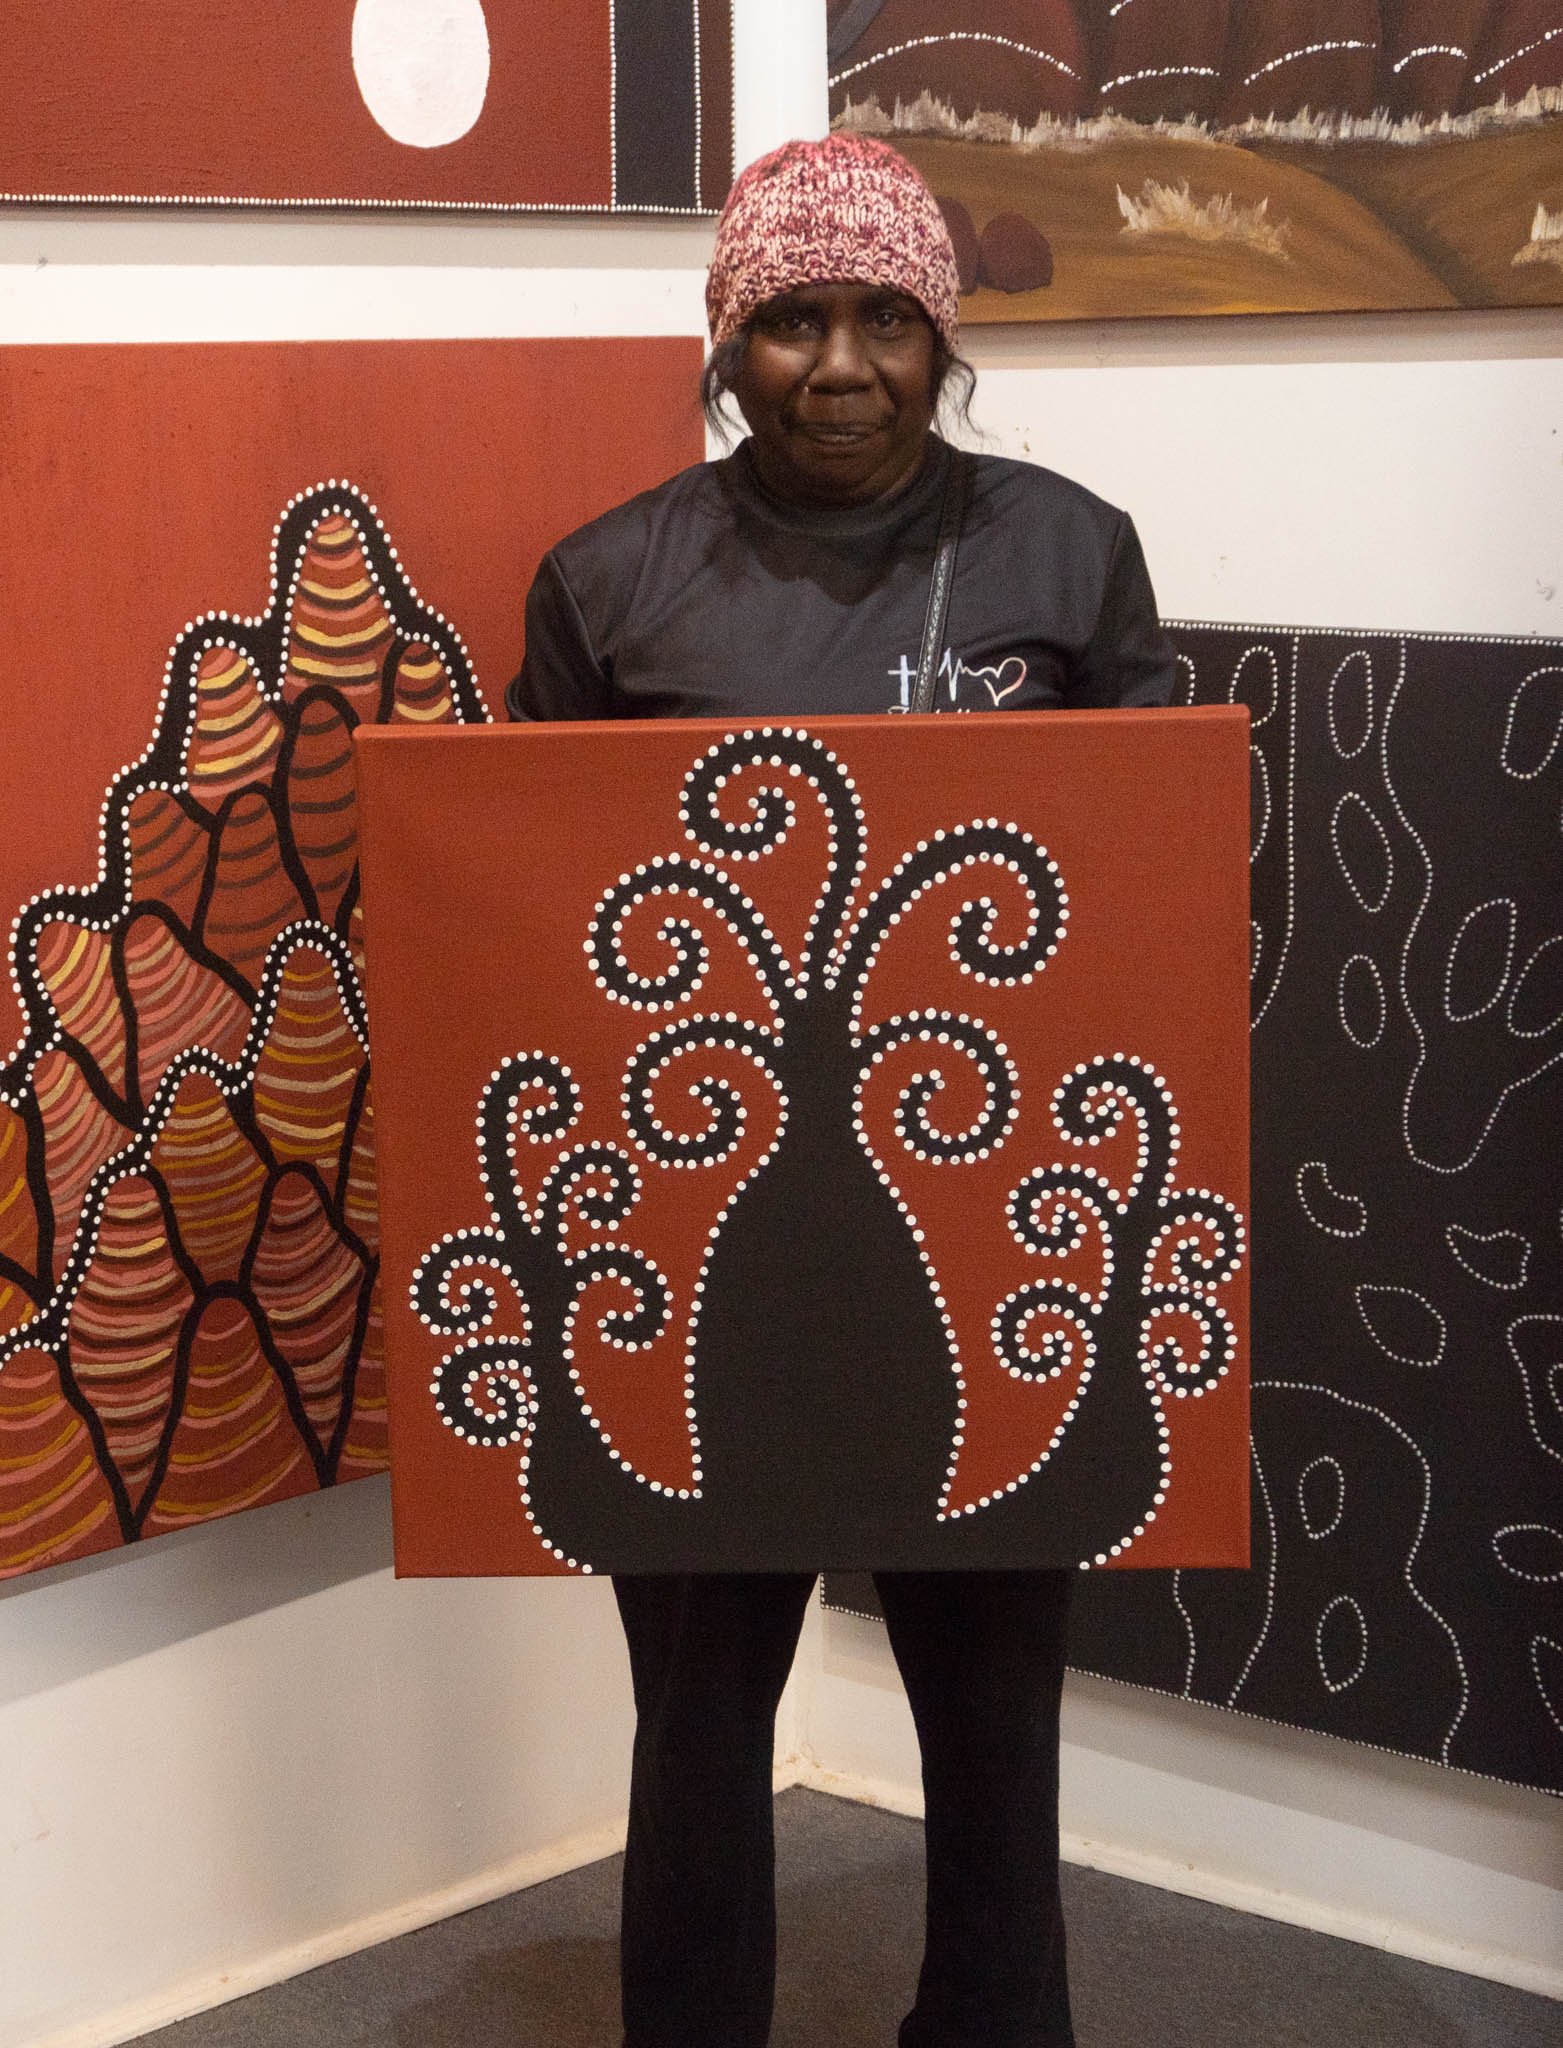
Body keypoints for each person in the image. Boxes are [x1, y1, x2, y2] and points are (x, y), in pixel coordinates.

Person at [508, 132, 1177, 2048]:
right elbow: (543, 931)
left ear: (942, 338)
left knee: (996, 1717)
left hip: (991, 1227)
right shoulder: (611, 581)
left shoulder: (1068, 553)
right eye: (791, 320)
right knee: (700, 1718)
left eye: (886, 318)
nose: (840, 366)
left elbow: (1153, 882)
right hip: (706, 1251)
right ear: (729, 340)